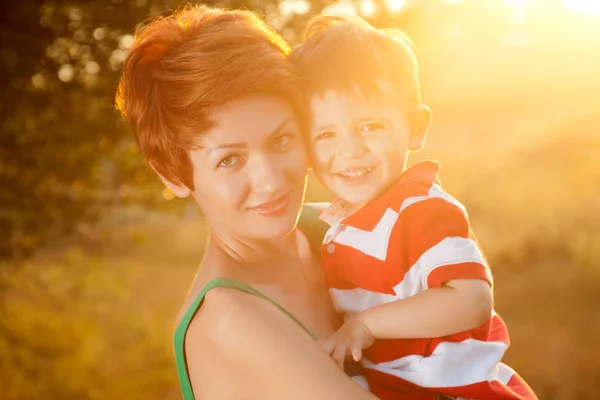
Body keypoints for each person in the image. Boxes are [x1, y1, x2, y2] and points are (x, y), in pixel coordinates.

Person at [115, 6, 377, 400]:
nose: (270, 181)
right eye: (229, 160)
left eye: (281, 140)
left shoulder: (334, 228)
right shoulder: (230, 319)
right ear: (172, 175)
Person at [291, 14, 537, 400]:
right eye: (325, 134)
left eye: (370, 126)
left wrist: (367, 325)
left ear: (415, 127)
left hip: (454, 390)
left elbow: (471, 300)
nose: (350, 151)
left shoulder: (421, 209)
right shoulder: (344, 216)